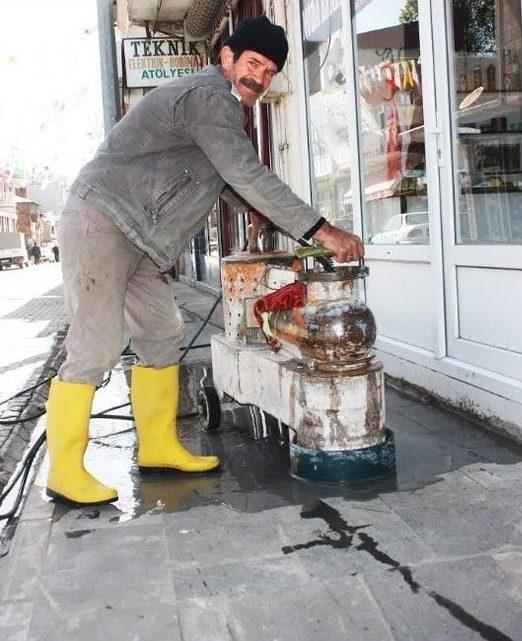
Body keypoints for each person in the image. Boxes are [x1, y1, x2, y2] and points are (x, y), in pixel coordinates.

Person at [46, 16, 364, 506]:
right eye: (253, 62)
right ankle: (64, 469)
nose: (259, 77)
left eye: (270, 70)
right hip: (104, 220)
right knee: (96, 345)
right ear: (227, 58)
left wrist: (257, 215)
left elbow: (226, 179)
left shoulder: (222, 111)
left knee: (162, 335)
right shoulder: (211, 99)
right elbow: (246, 173)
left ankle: (157, 447)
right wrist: (322, 230)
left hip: (145, 241)